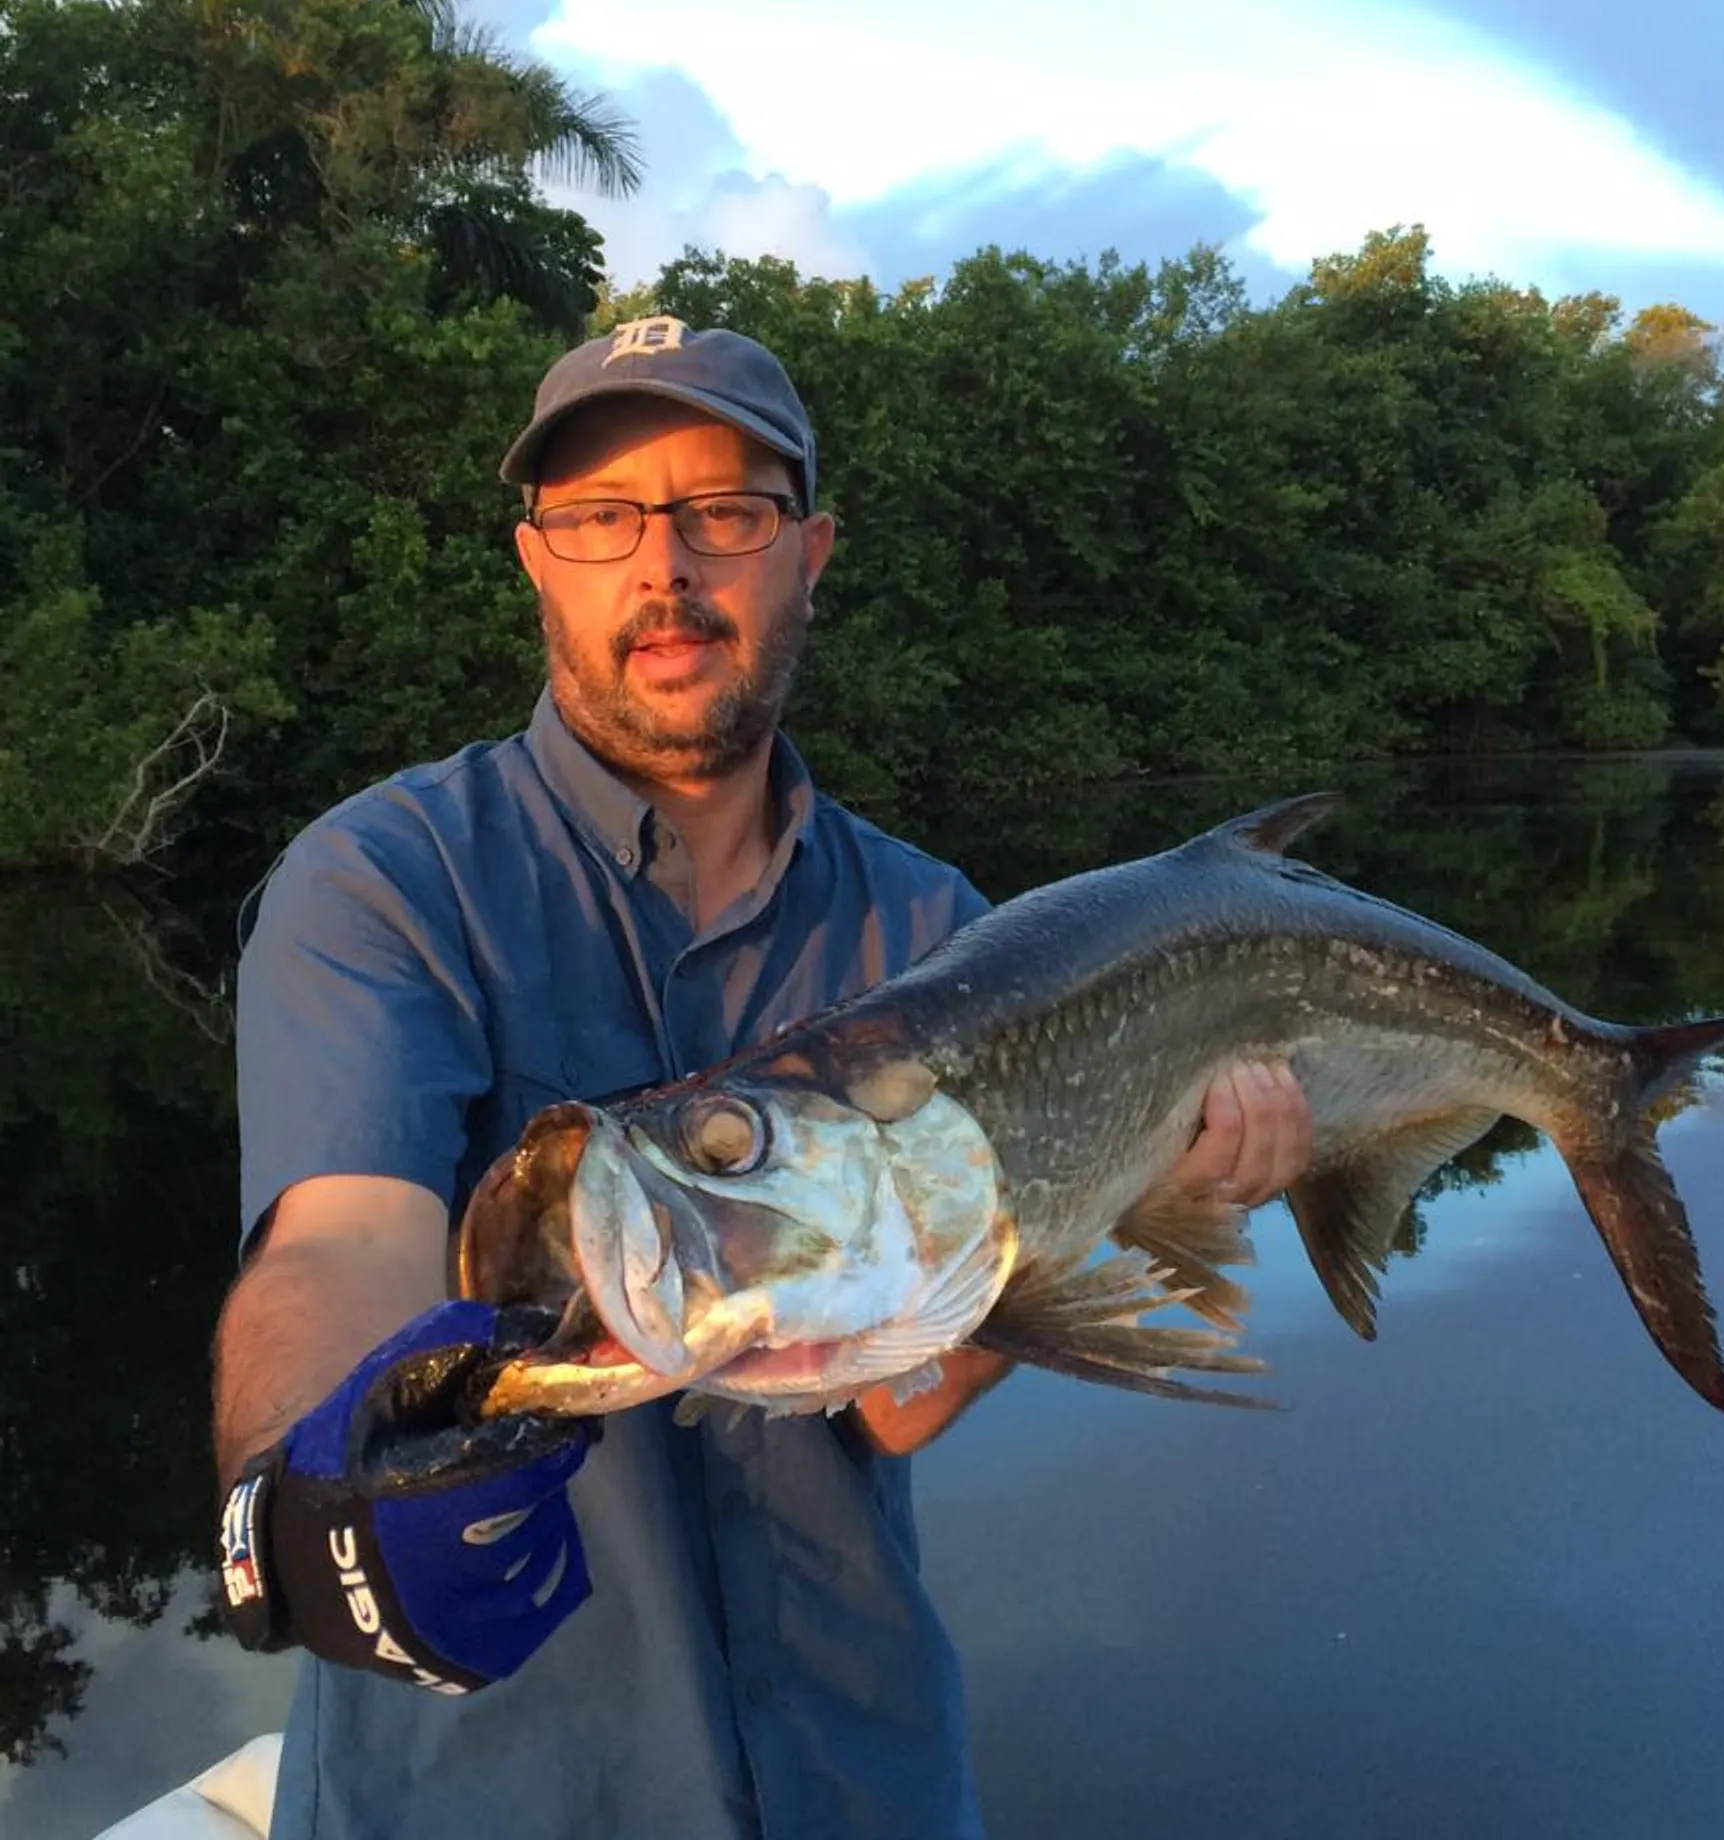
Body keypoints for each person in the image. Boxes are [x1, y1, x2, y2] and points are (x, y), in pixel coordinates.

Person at [210, 316, 1314, 1839]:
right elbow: (339, 1238)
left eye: (725, 513)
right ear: (536, 560)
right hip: (499, 1803)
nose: (663, 569)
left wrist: (1139, 1187)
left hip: (863, 1781)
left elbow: (899, 1404)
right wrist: (306, 1476)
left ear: (810, 552)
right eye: (601, 518)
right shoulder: (387, 881)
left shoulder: (937, 930)